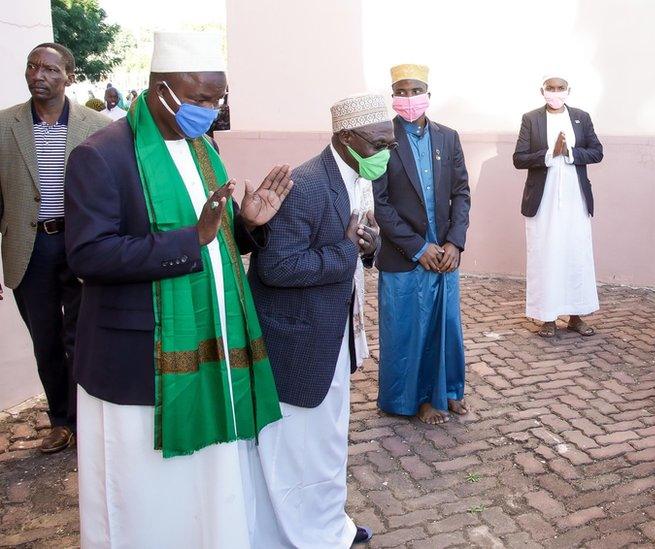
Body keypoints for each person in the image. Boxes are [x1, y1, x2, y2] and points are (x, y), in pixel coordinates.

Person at [64, 31, 291, 547]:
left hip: (211, 348)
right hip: (140, 357)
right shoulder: (101, 155)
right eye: (200, 99)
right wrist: (192, 238)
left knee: (206, 492)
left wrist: (249, 225)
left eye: (218, 99)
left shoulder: (204, 149)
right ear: (160, 89)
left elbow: (218, 240)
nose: (211, 110)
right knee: (146, 498)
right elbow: (88, 255)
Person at [248, 93, 387, 547]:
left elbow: (354, 246)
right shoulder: (305, 184)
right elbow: (278, 267)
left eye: (391, 141)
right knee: (296, 449)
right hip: (299, 341)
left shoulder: (357, 177)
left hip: (335, 334)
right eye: (378, 142)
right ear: (346, 138)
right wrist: (349, 250)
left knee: (327, 443)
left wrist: (367, 248)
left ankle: (329, 526)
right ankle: (298, 536)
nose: (388, 152)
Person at [0, 42, 109, 454]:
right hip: (30, 248)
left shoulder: (96, 125)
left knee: (81, 337)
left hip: (80, 243)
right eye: (32, 67)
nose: (37, 76)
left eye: (48, 69)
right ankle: (60, 421)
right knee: (45, 340)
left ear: (70, 76)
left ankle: (87, 419)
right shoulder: (4, 125)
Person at [373, 64, 471, 425]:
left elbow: (461, 192)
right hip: (405, 256)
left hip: (445, 255)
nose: (409, 98)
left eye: (416, 91)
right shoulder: (382, 139)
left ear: (428, 93)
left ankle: (447, 392)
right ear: (393, 96)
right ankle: (409, 399)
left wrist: (454, 243)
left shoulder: (448, 137)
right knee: (407, 331)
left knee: (445, 326)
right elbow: (380, 202)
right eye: (401, 91)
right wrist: (417, 247)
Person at [514, 76, 604, 338]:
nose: (555, 93)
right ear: (542, 91)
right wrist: (548, 155)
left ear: (568, 91)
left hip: (576, 198)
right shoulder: (531, 119)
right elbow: (519, 158)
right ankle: (547, 318)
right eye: (550, 88)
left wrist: (570, 153)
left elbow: (597, 152)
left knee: (576, 255)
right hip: (543, 201)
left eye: (560, 88)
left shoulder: (581, 117)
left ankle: (576, 316)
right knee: (546, 255)